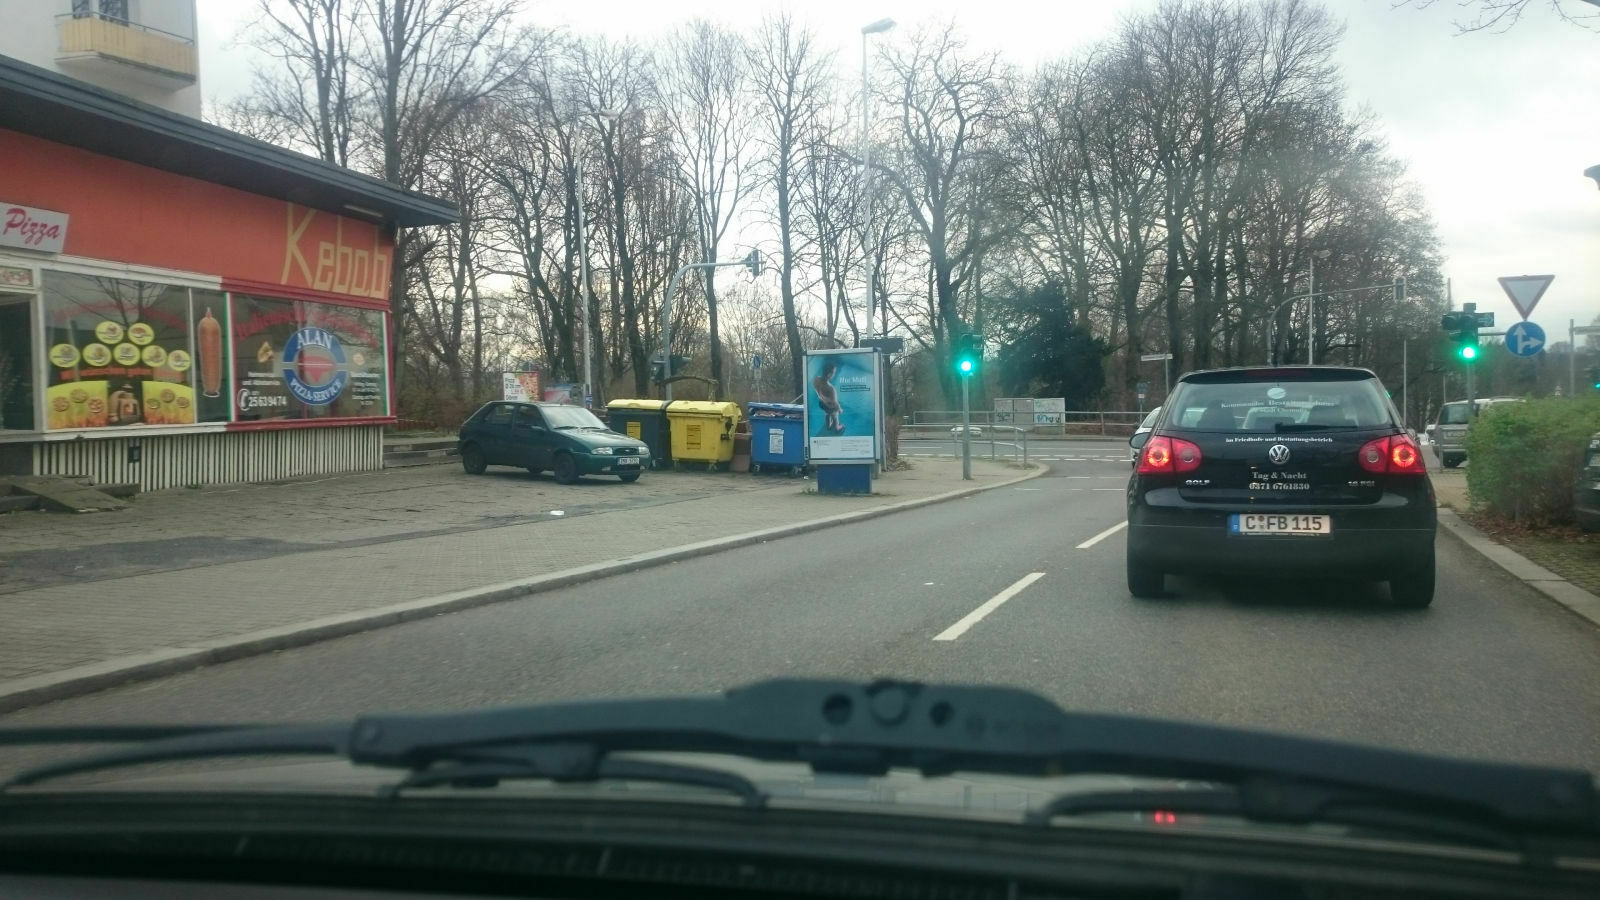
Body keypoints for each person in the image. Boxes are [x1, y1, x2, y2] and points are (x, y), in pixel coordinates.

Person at [812, 360, 845, 434]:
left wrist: (822, 397)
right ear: (829, 374)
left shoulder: (816, 379)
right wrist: (839, 409)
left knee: (827, 414)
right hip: (830, 406)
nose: (834, 374)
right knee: (835, 416)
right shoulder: (831, 388)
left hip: (821, 404)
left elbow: (816, 389)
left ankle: (828, 426)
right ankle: (837, 428)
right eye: (834, 373)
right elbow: (835, 403)